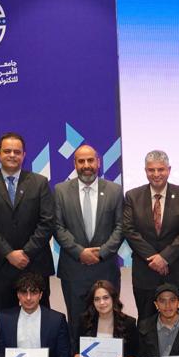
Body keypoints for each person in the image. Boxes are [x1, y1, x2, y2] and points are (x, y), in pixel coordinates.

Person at [0, 132, 56, 311]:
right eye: (7, 151)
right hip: (1, 264)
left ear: (24, 155)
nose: (12, 155)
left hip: (34, 262)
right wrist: (9, 253)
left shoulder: (39, 183)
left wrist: (26, 253)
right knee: (6, 318)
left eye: (17, 152)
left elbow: (47, 221)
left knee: (41, 317)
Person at [54, 144, 124, 337]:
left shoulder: (114, 190)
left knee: (108, 322)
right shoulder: (60, 190)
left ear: (98, 162)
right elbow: (57, 227)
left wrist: (101, 253)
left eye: (90, 160)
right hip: (74, 270)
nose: (86, 165)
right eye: (81, 161)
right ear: (75, 164)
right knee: (76, 323)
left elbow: (121, 227)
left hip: (106, 269)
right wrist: (80, 252)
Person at [123, 150, 179, 316]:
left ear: (169, 170)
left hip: (176, 271)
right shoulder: (132, 196)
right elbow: (129, 230)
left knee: (176, 320)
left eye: (161, 169)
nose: (156, 174)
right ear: (145, 171)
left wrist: (165, 258)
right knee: (145, 320)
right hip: (145, 271)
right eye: (151, 170)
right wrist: (154, 258)